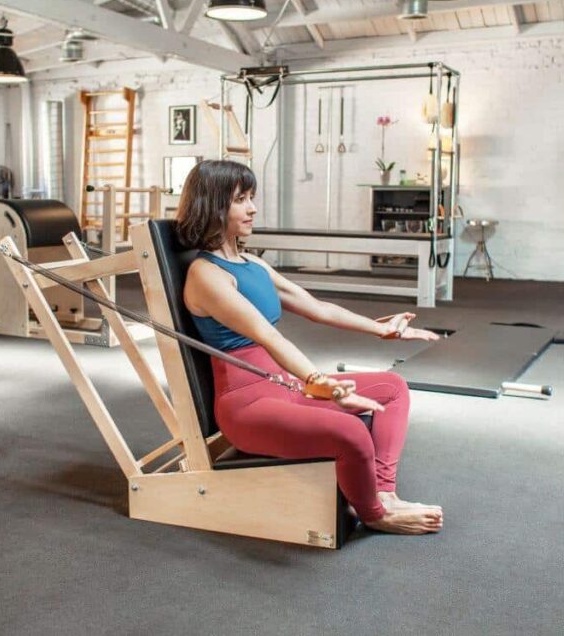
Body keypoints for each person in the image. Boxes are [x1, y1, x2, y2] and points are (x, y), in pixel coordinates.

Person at [178, 159, 443, 535]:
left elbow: (318, 308)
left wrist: (384, 331)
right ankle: (374, 514)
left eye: (252, 197)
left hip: (283, 386)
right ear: (213, 206)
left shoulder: (252, 263)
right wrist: (323, 385)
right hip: (248, 406)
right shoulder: (206, 275)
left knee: (392, 388)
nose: (253, 208)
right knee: (349, 431)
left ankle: (385, 493)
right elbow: (268, 336)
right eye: (241, 199)